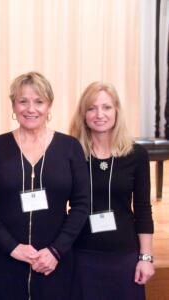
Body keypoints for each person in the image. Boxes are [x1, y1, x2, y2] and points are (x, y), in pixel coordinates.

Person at [0, 71, 90, 300]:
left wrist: (56, 251)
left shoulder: (70, 147)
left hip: (54, 261)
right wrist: (12, 247)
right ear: (14, 106)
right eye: (23, 101)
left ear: (49, 106)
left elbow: (82, 203)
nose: (30, 109)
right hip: (6, 257)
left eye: (39, 101)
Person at [69, 82, 154, 299]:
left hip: (124, 255)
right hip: (82, 254)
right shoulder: (71, 153)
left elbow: (143, 209)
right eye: (92, 108)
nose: (100, 114)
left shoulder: (137, 155)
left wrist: (145, 257)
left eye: (106, 107)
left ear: (117, 111)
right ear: (83, 114)